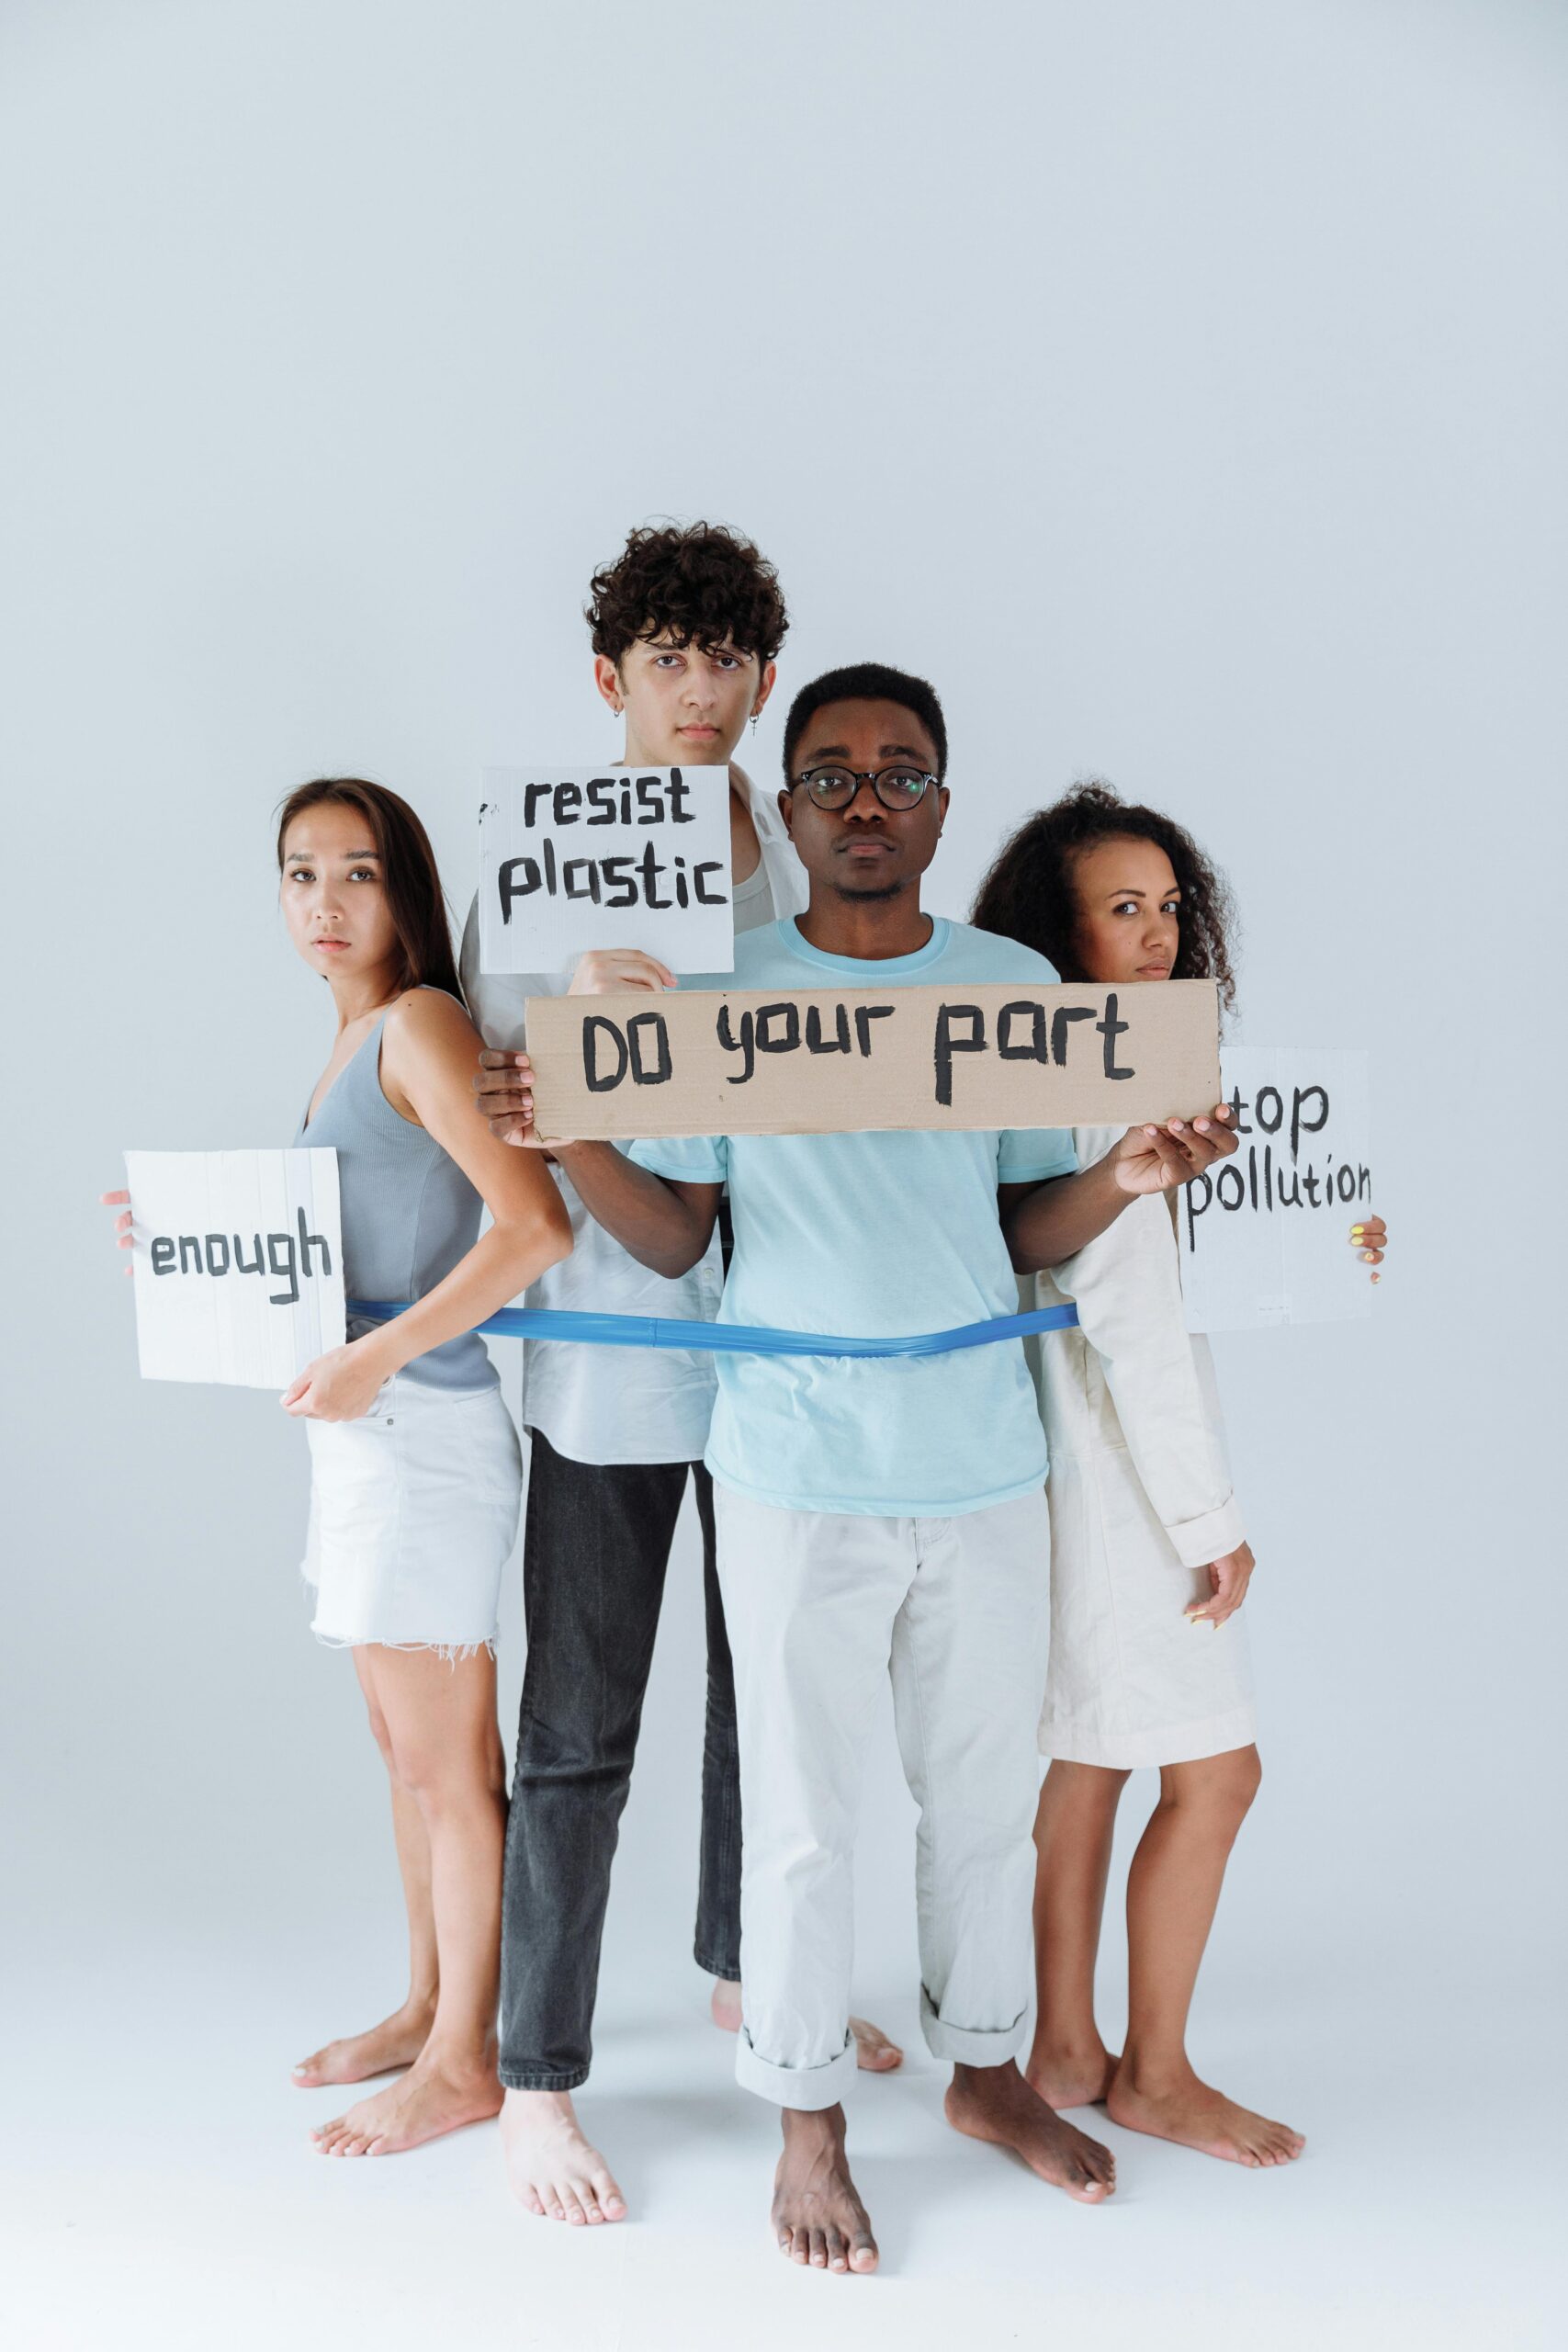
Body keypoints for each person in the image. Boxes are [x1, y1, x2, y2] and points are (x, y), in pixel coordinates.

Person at [477, 666, 1242, 2272]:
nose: (866, 800)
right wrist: (572, 1132)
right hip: (793, 1473)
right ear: (796, 804)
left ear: (944, 808)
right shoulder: (724, 995)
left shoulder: (1010, 985)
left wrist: (1122, 1173)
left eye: (901, 775)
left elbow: (1025, 1225)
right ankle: (807, 2118)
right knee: (809, 1816)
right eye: (831, 776)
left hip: (977, 1472)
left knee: (976, 1804)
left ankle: (984, 2076)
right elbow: (682, 1241)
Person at [461, 526, 900, 2232]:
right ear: (610, 682)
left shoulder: (803, 863)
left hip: (785, 1341)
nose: (701, 692)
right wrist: (571, 1009)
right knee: (578, 1725)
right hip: (613, 1356)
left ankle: (740, 1968)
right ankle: (536, 2081)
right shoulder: (545, 862)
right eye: (668, 661)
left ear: (763, 680)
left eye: (728, 662)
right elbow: (491, 1091)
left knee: (765, 1694)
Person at [103, 777, 572, 2157]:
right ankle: (427, 2004)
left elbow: (531, 1227)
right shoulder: (350, 1040)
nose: (324, 901)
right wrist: (189, 1247)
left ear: (405, 893)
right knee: (402, 1752)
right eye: (300, 873)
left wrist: (374, 1365)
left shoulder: (418, 1024)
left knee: (448, 1766)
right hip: (367, 1438)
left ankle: (466, 2060)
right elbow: (347, 1254)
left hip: (421, 1435)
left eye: (356, 873)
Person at [971, 781, 1386, 2167]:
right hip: (1123, 1482)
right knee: (1217, 1774)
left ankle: (1068, 2046)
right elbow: (1135, 1328)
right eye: (1122, 909)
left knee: (1085, 1758)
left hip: (1054, 1471)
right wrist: (1214, 1522)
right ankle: (1155, 2070)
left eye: (1168, 908)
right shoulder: (1110, 1079)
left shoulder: (1045, 1073)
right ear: (1055, 929)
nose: (1154, 936)